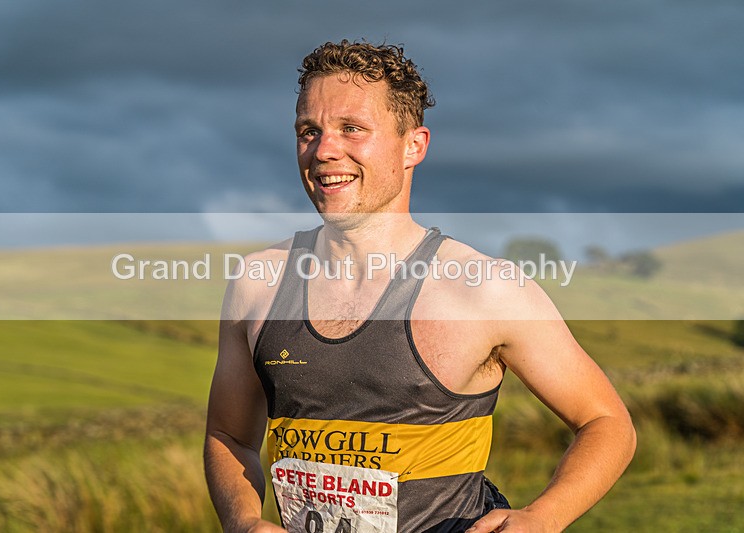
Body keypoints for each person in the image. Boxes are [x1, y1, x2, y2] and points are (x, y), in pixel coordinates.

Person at [204, 40, 636, 533]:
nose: (324, 150)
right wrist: (242, 522)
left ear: (414, 146)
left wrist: (543, 518)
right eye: (309, 131)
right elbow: (229, 436)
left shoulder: (484, 289)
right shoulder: (258, 284)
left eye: (352, 129)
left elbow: (606, 423)